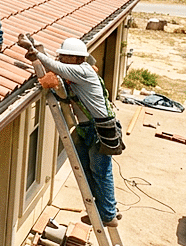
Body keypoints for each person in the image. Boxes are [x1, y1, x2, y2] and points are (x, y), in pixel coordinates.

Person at [24, 37, 120, 227]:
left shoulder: (82, 71)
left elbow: (56, 67)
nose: (63, 60)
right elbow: (60, 81)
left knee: (101, 171)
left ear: (78, 59)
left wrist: (37, 55)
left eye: (67, 57)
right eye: (63, 57)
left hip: (100, 128)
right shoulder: (73, 75)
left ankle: (108, 214)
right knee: (87, 171)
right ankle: (99, 210)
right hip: (87, 129)